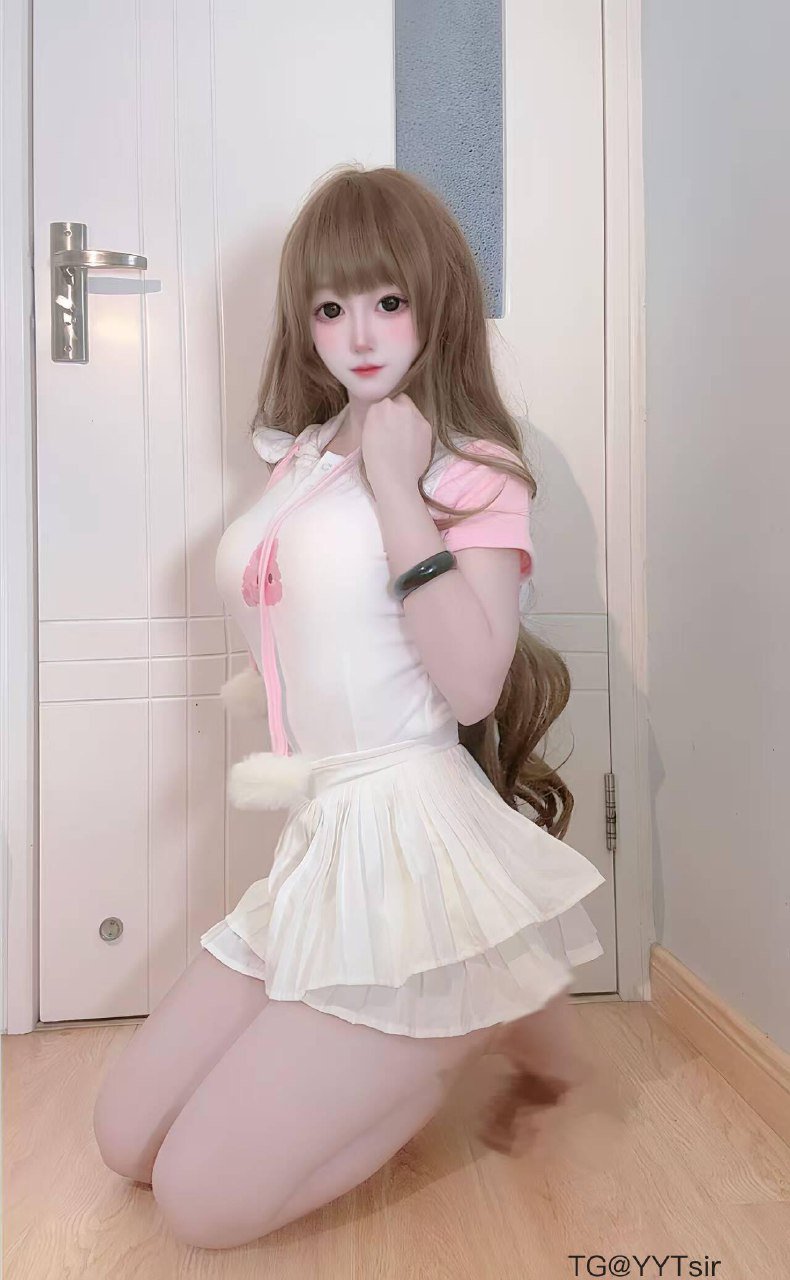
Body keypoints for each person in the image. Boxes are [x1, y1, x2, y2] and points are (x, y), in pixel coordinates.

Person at [93, 163, 606, 1250]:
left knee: (201, 1201)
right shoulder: (301, 455)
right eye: (330, 308)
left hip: (410, 838)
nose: (359, 335)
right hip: (322, 837)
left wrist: (399, 488)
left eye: (388, 300)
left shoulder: (470, 466)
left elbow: (472, 685)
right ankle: (459, 1007)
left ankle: (461, 1011)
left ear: (437, 300)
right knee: (124, 1139)